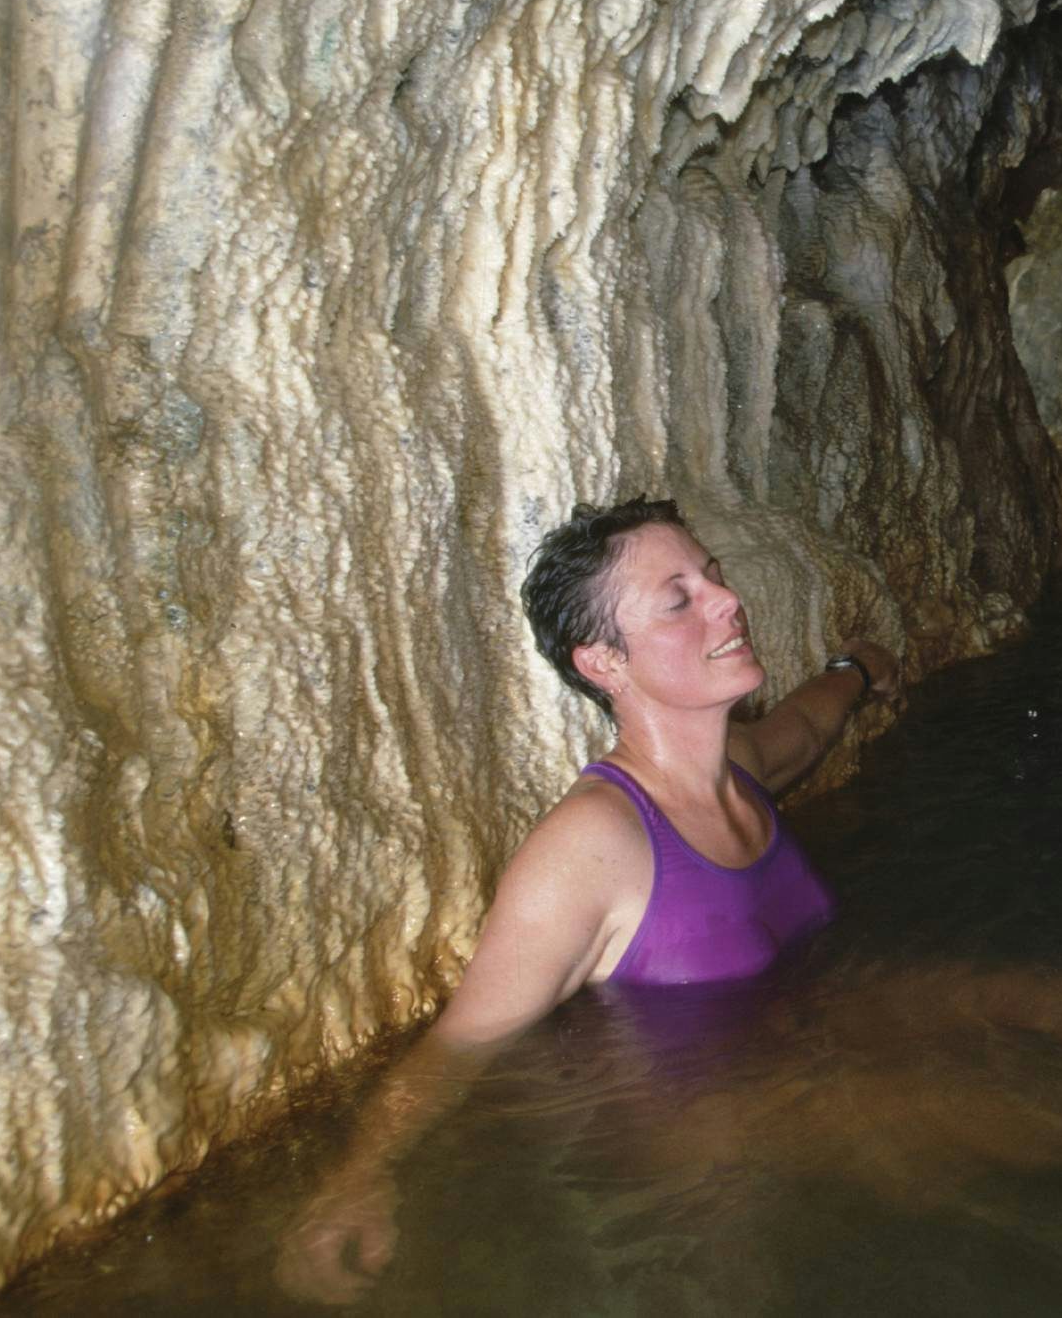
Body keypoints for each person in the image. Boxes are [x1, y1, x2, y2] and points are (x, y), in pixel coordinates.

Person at [277, 497, 898, 1303]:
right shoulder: (590, 849)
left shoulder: (738, 765)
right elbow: (461, 1042)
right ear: (603, 662)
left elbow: (805, 730)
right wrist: (356, 1179)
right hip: (714, 1181)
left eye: (710, 575)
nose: (725, 599)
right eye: (678, 599)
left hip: (808, 1095)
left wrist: (856, 670)